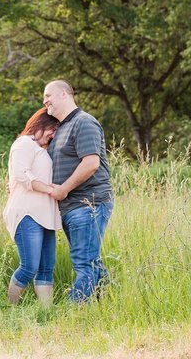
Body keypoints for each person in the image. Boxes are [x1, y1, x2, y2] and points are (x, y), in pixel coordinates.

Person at [42, 79, 114, 303]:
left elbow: (91, 163)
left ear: (64, 94)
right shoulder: (61, 128)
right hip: (70, 207)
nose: (44, 101)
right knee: (91, 261)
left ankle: (71, 315)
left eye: (48, 95)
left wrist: (63, 189)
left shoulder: (84, 122)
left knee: (85, 264)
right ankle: (109, 304)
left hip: (88, 203)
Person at [3, 106, 62, 306]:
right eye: (52, 129)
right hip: (27, 213)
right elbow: (22, 174)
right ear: (41, 123)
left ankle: (46, 312)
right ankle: (10, 307)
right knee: (29, 266)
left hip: (46, 213)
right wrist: (50, 189)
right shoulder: (24, 143)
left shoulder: (41, 150)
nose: (53, 135)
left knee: (46, 267)